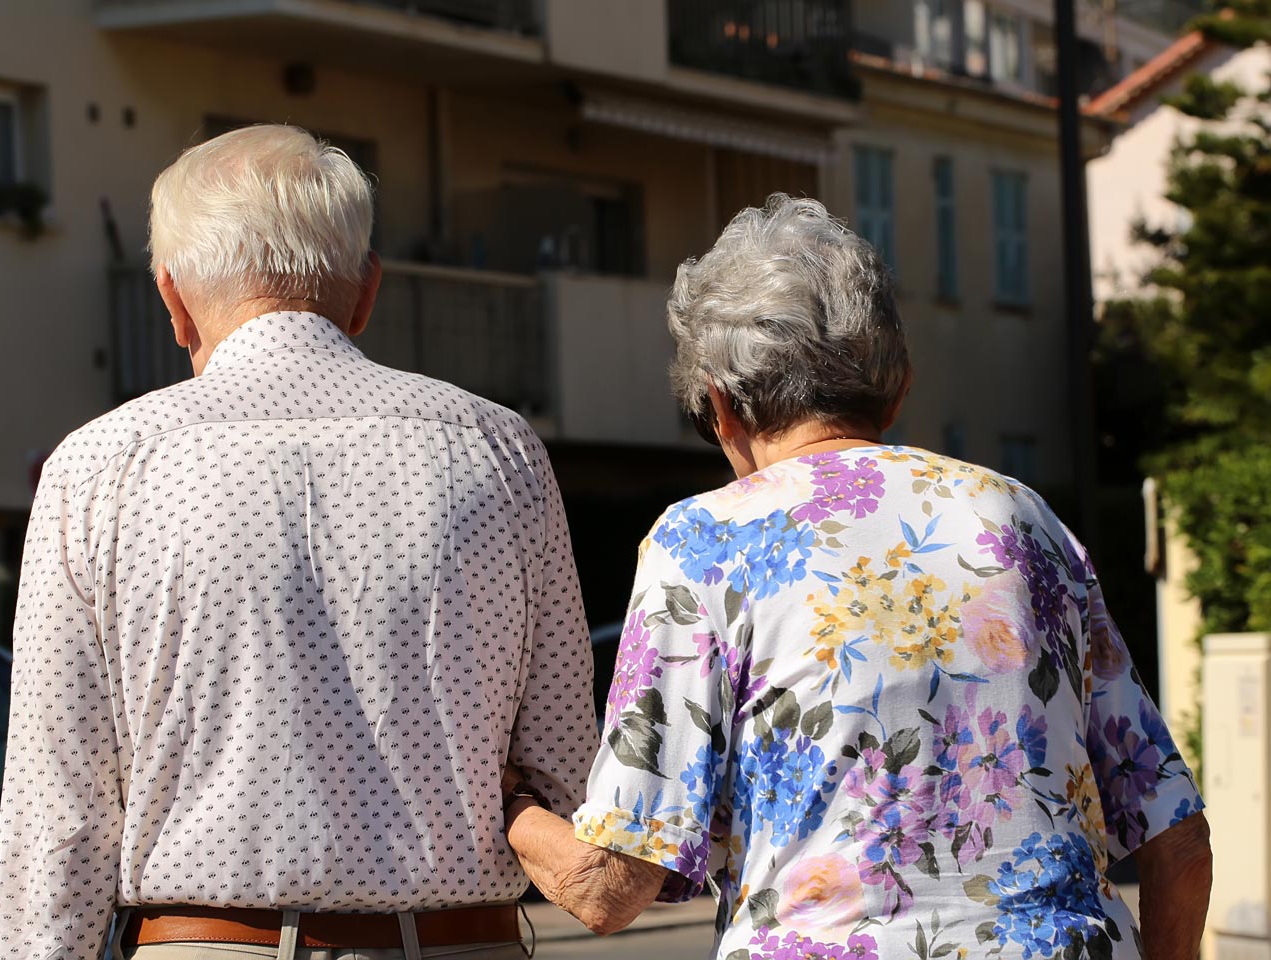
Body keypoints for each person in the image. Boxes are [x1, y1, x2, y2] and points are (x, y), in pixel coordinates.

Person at [503, 195, 1212, 960]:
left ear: (720, 404)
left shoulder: (704, 539)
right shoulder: (1024, 519)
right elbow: (1180, 844)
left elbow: (609, 887)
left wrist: (508, 800)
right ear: (897, 388)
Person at [0, 124, 597, 960]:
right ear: (366, 291)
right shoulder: (498, 451)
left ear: (172, 299)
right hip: (459, 943)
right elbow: (565, 772)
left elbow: (59, 821)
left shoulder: (99, 469)